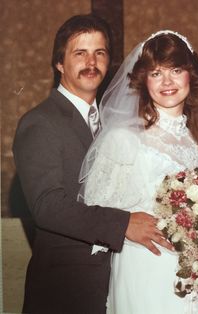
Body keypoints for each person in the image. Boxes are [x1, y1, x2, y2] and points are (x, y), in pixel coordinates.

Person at [13, 15, 173, 314]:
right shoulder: (40, 122)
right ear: (59, 63)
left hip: (118, 283)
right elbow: (48, 206)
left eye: (99, 53)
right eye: (80, 53)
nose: (91, 62)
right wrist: (123, 223)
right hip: (67, 290)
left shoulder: (116, 125)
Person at [79, 30, 198, 313]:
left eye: (176, 70)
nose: (167, 82)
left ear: (191, 75)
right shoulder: (123, 138)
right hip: (148, 271)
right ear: (143, 80)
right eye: (156, 72)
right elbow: (96, 213)